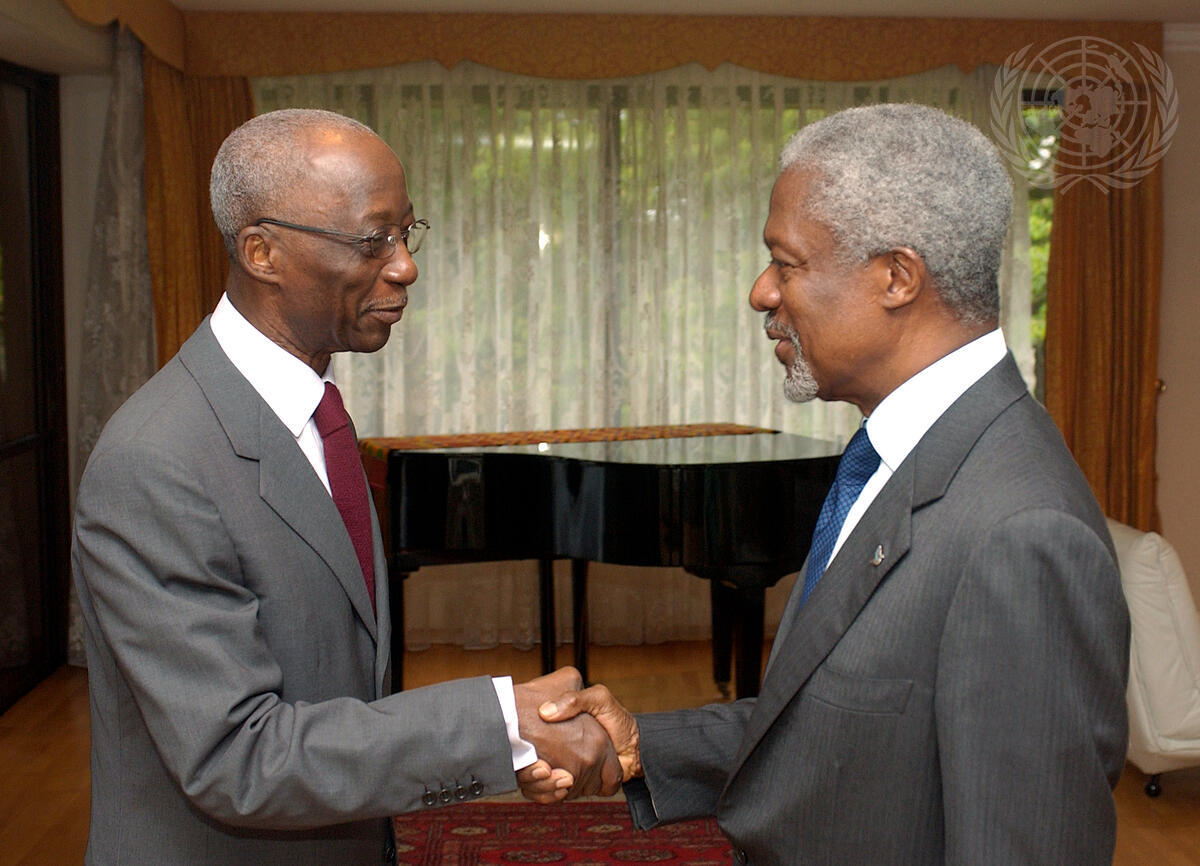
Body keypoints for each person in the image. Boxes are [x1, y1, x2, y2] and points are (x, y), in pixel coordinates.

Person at [527, 104, 1130, 864]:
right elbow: (837, 722)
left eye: (787, 263)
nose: (761, 292)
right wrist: (642, 743)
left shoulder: (1022, 534)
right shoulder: (893, 454)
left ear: (896, 278)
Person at [72, 108, 614, 865]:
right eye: (372, 241)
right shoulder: (155, 461)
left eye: (407, 232)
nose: (405, 267)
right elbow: (237, 757)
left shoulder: (315, 413)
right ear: (262, 252)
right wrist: (501, 724)